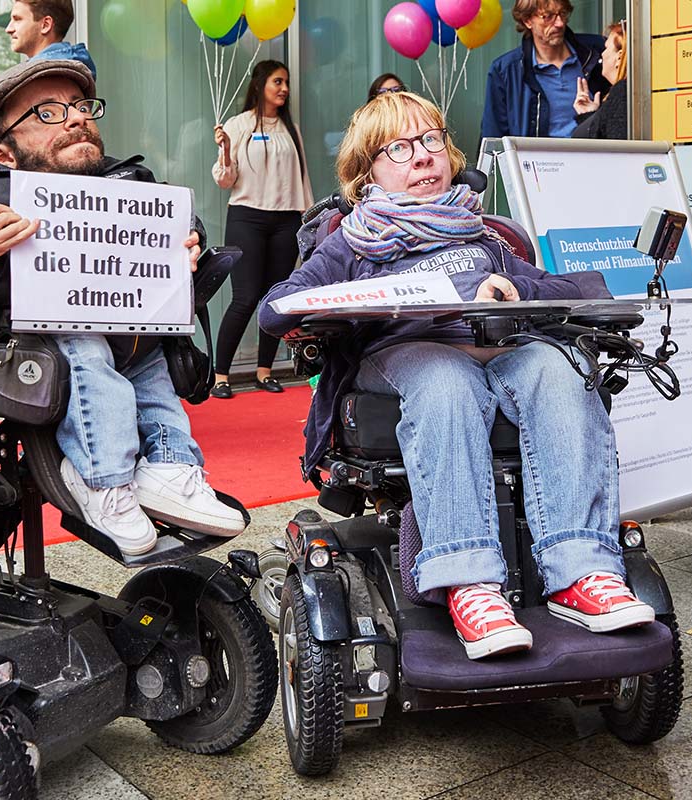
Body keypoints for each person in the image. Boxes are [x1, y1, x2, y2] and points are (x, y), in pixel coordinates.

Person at [259, 91, 654, 661]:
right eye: (399, 148)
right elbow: (276, 309)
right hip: (406, 356)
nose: (422, 155)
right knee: (447, 380)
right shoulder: (351, 241)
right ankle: (469, 582)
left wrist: (517, 287)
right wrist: (362, 300)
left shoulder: (484, 236)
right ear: (366, 174)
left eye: (430, 140)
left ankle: (582, 571)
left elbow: (567, 288)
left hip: (502, 352)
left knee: (559, 368)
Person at [0, 57, 246, 555]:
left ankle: (171, 467)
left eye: (81, 106)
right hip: (39, 342)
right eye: (48, 113)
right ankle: (104, 480)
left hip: (135, 336)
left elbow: (183, 224)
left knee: (153, 354)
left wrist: (185, 243)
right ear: (2, 152)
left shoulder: (131, 180)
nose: (77, 118)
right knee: (84, 340)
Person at [210, 60, 313, 399]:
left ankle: (264, 371)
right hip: (247, 217)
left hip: (286, 220)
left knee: (274, 297)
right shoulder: (238, 125)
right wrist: (226, 150)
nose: (284, 89)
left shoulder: (291, 129)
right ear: (259, 85)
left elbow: (302, 180)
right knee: (245, 297)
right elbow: (225, 180)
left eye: (286, 83)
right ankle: (220, 375)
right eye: (277, 82)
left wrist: (309, 219)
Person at [480, 0, 607, 139]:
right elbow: (493, 140)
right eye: (548, 16)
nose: (559, 23)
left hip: (594, 151)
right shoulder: (506, 71)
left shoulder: (598, 52)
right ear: (527, 21)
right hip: (534, 153)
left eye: (562, 13)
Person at [6, 0, 96, 77]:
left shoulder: (46, 77)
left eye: (17, 19)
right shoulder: (66, 70)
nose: (8, 29)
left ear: (46, 25)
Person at [572, 21, 627, 140]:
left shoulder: (622, 93)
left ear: (619, 57)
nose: (602, 54)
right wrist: (590, 115)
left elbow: (614, 146)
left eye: (606, 48)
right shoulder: (625, 93)